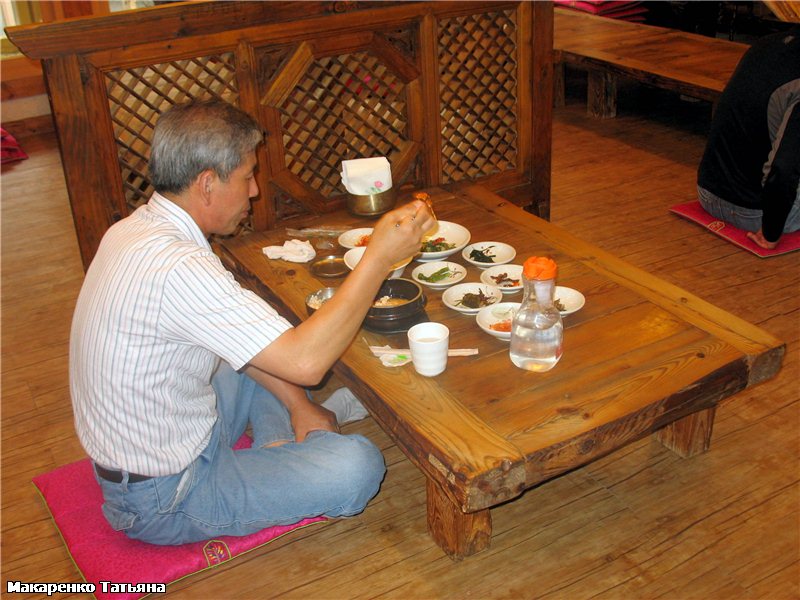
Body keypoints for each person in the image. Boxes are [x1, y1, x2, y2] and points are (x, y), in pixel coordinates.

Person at [69, 99, 435, 545]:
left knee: (258, 346)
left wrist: (302, 405)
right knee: (358, 466)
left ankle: (283, 437)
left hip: (167, 440)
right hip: (162, 495)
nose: (256, 190)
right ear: (207, 184)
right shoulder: (178, 266)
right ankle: (283, 447)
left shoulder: (137, 228)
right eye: (247, 177)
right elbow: (307, 364)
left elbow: (267, 353)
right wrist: (377, 259)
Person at [697, 25, 800, 249]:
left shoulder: (766, 42)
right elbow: (782, 170)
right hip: (753, 213)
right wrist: (771, 232)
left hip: (708, 189)